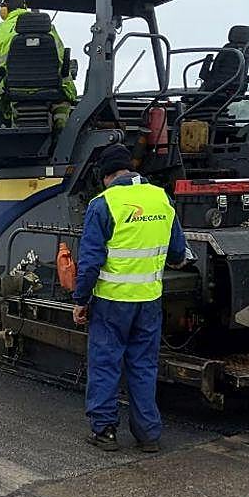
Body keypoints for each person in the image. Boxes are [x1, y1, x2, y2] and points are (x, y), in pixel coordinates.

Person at [71, 145, 189, 452]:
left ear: (106, 175)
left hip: (112, 302)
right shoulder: (161, 197)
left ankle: (105, 431)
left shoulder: (103, 204)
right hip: (149, 301)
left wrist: (80, 300)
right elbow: (178, 251)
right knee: (143, 366)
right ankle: (148, 435)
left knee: (106, 364)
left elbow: (90, 261)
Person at [0, 0, 77, 130]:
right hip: (52, 88)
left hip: (15, 91)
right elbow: (61, 58)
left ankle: (9, 118)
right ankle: (61, 128)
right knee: (63, 105)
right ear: (24, 7)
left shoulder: (0, 33)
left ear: (4, 11)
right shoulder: (50, 30)